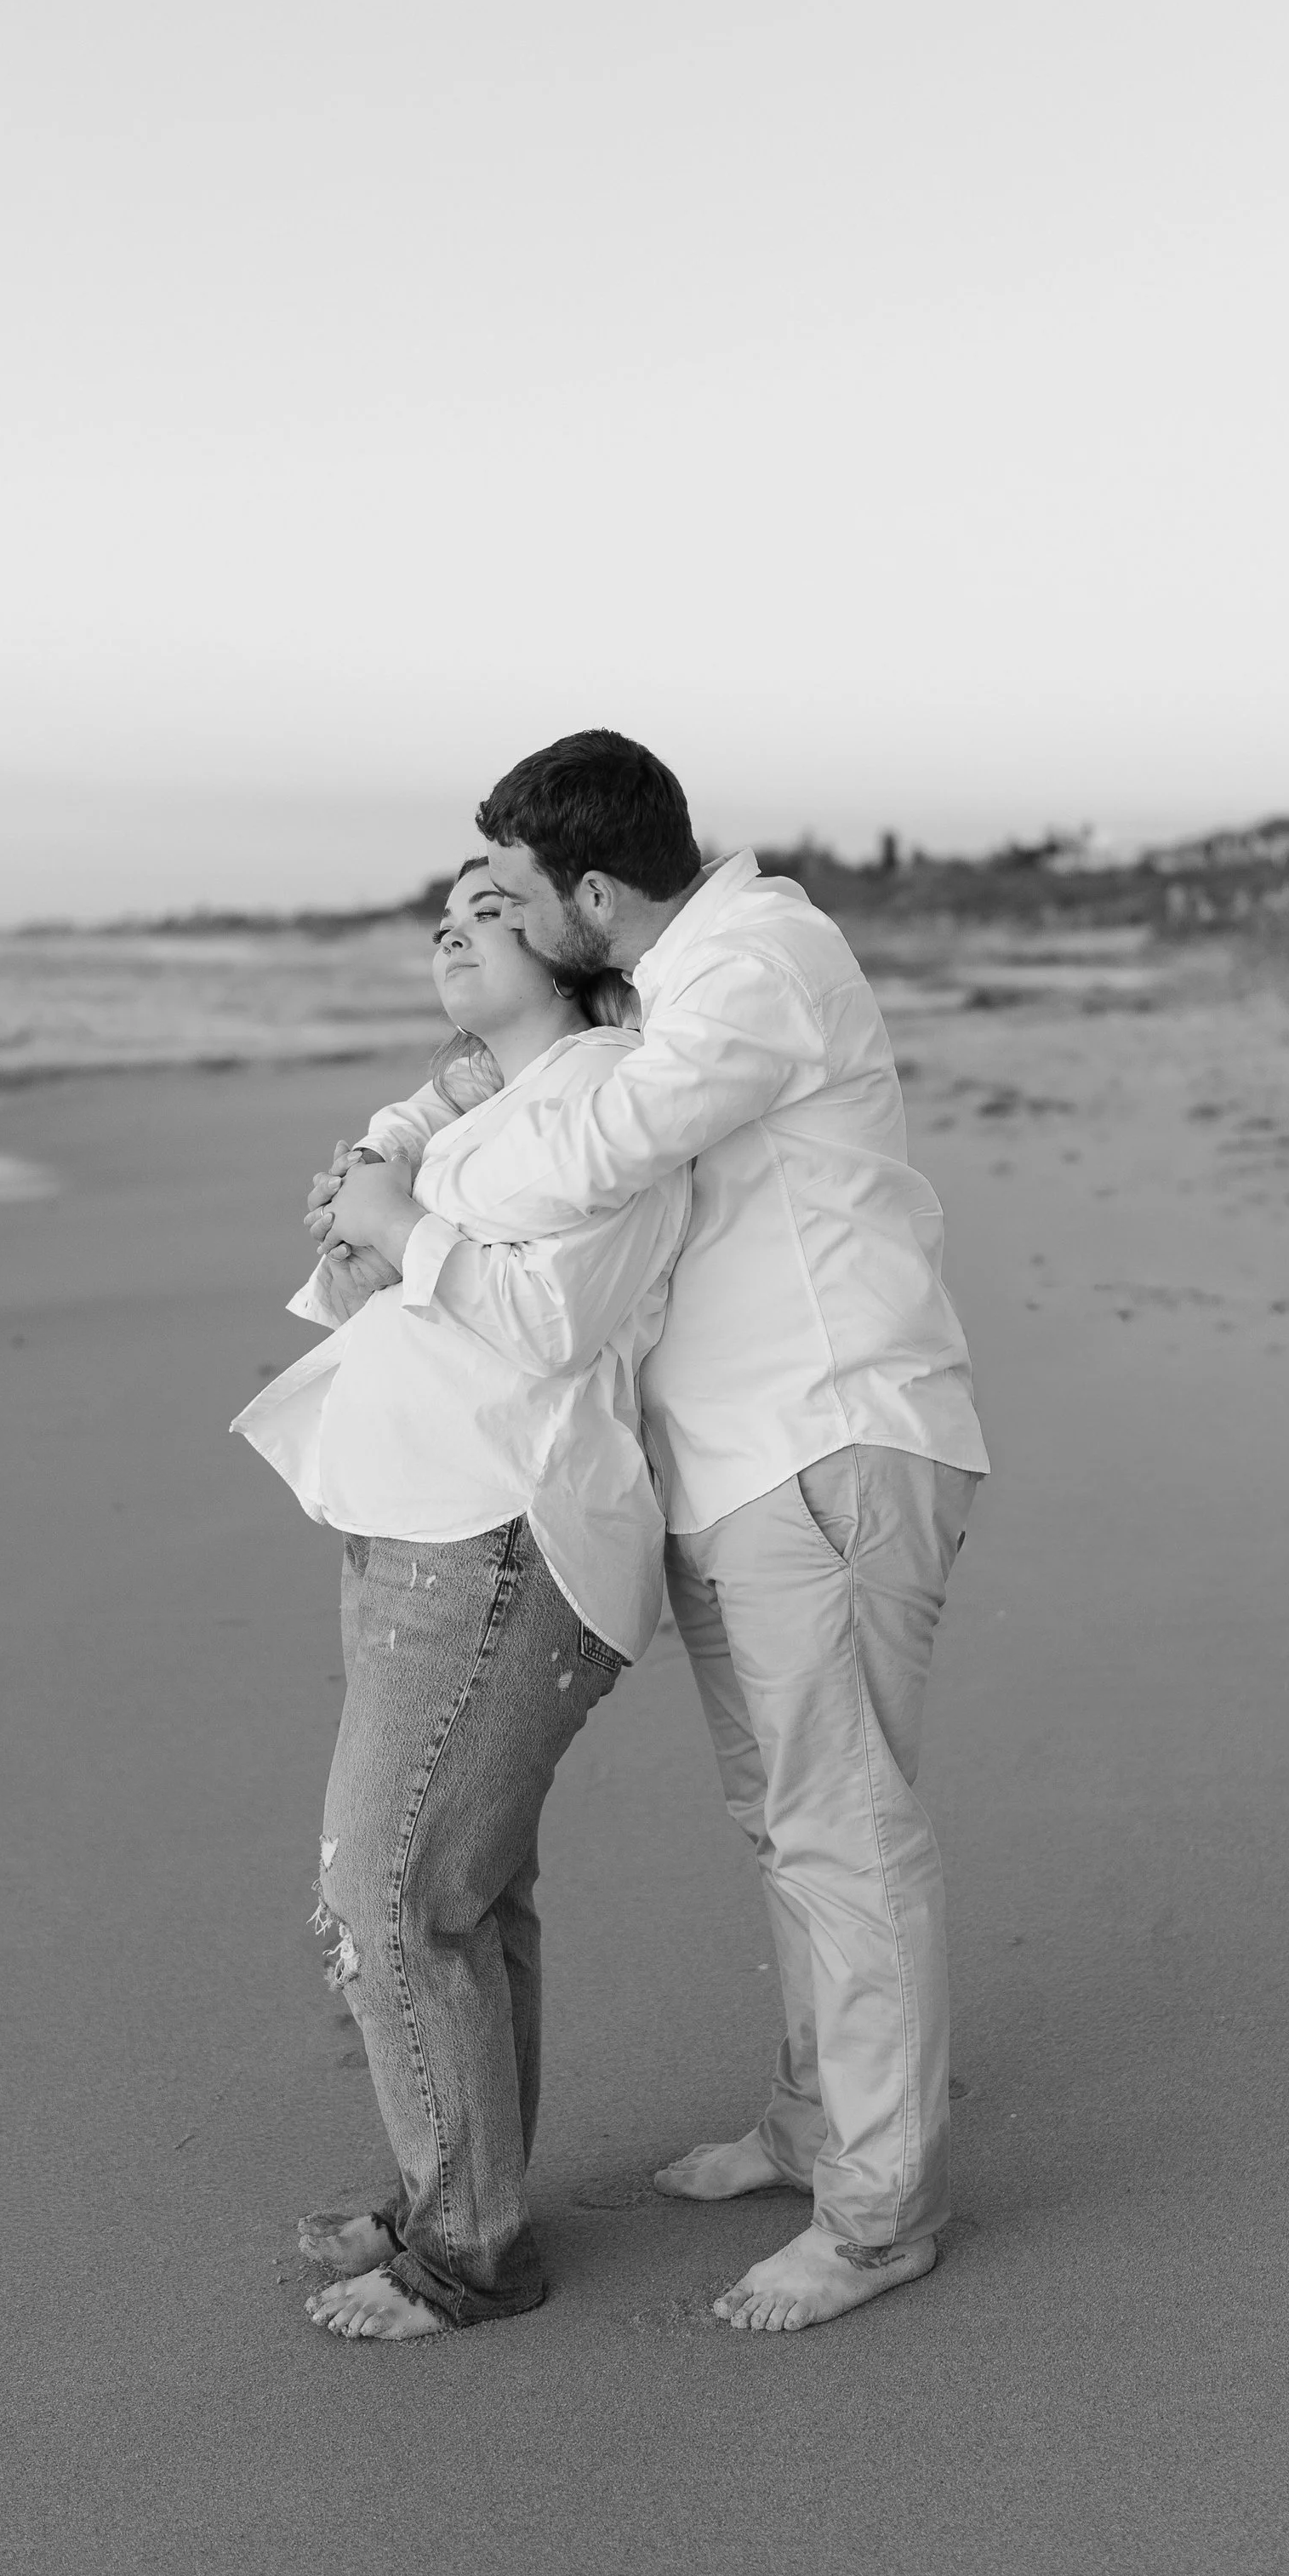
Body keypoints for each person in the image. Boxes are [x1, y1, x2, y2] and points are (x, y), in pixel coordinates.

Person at [313, 733, 988, 2335]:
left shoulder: (756, 963)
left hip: (826, 1438)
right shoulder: (677, 986)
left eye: (527, 898)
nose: (515, 925)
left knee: (844, 1824)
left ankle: (882, 2209)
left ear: (596, 892)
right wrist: (429, 1129)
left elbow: (597, 1141)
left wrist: (418, 1201)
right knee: (789, 1821)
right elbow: (516, 1085)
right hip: (744, 1463)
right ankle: (820, 2117)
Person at [232, 860, 687, 2340]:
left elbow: (553, 1323)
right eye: (447, 904)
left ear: (572, 936)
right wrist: (381, 1183)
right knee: (460, 1892)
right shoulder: (485, 1110)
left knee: (392, 1894)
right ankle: (459, 2188)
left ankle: (469, 2251)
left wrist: (395, 1200)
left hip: (500, 1536)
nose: (451, 919)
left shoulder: (606, 1096)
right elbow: (397, 1296)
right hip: (419, 1527)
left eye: (493, 904)